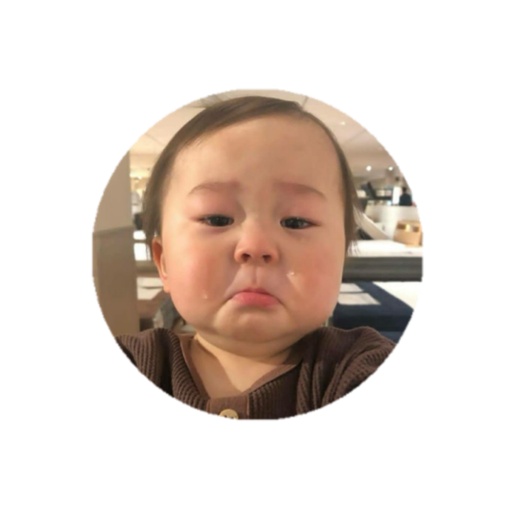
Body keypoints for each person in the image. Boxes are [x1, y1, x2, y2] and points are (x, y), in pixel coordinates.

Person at [113, 96, 397, 420]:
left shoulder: (355, 365)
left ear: (340, 259)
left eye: (296, 222)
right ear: (164, 262)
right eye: (217, 219)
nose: (256, 246)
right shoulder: (140, 360)